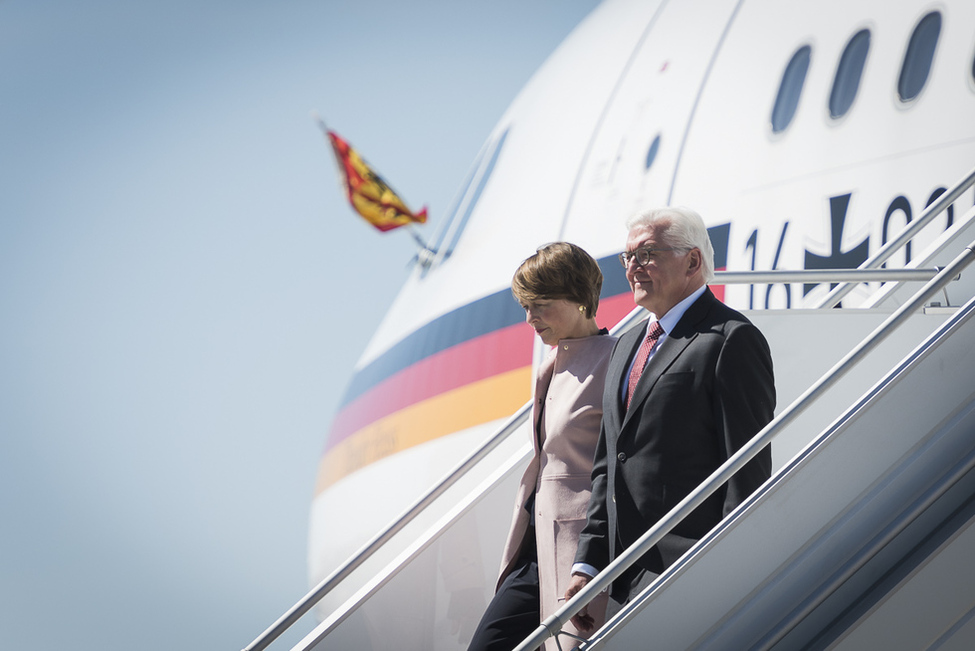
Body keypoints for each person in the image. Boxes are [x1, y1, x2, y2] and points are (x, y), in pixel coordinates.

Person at [565, 207, 775, 631]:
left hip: (692, 571)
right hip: (624, 576)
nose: (633, 268)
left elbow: (747, 469)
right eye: (628, 258)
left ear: (693, 261)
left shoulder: (730, 339)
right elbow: (609, 464)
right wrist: (588, 567)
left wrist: (724, 567)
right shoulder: (624, 347)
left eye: (647, 254)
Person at [467, 242, 615, 651]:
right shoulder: (549, 365)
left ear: (580, 299)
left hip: (579, 545)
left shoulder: (616, 360)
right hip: (533, 543)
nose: (529, 319)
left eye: (541, 305)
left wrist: (593, 553)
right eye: (524, 307)